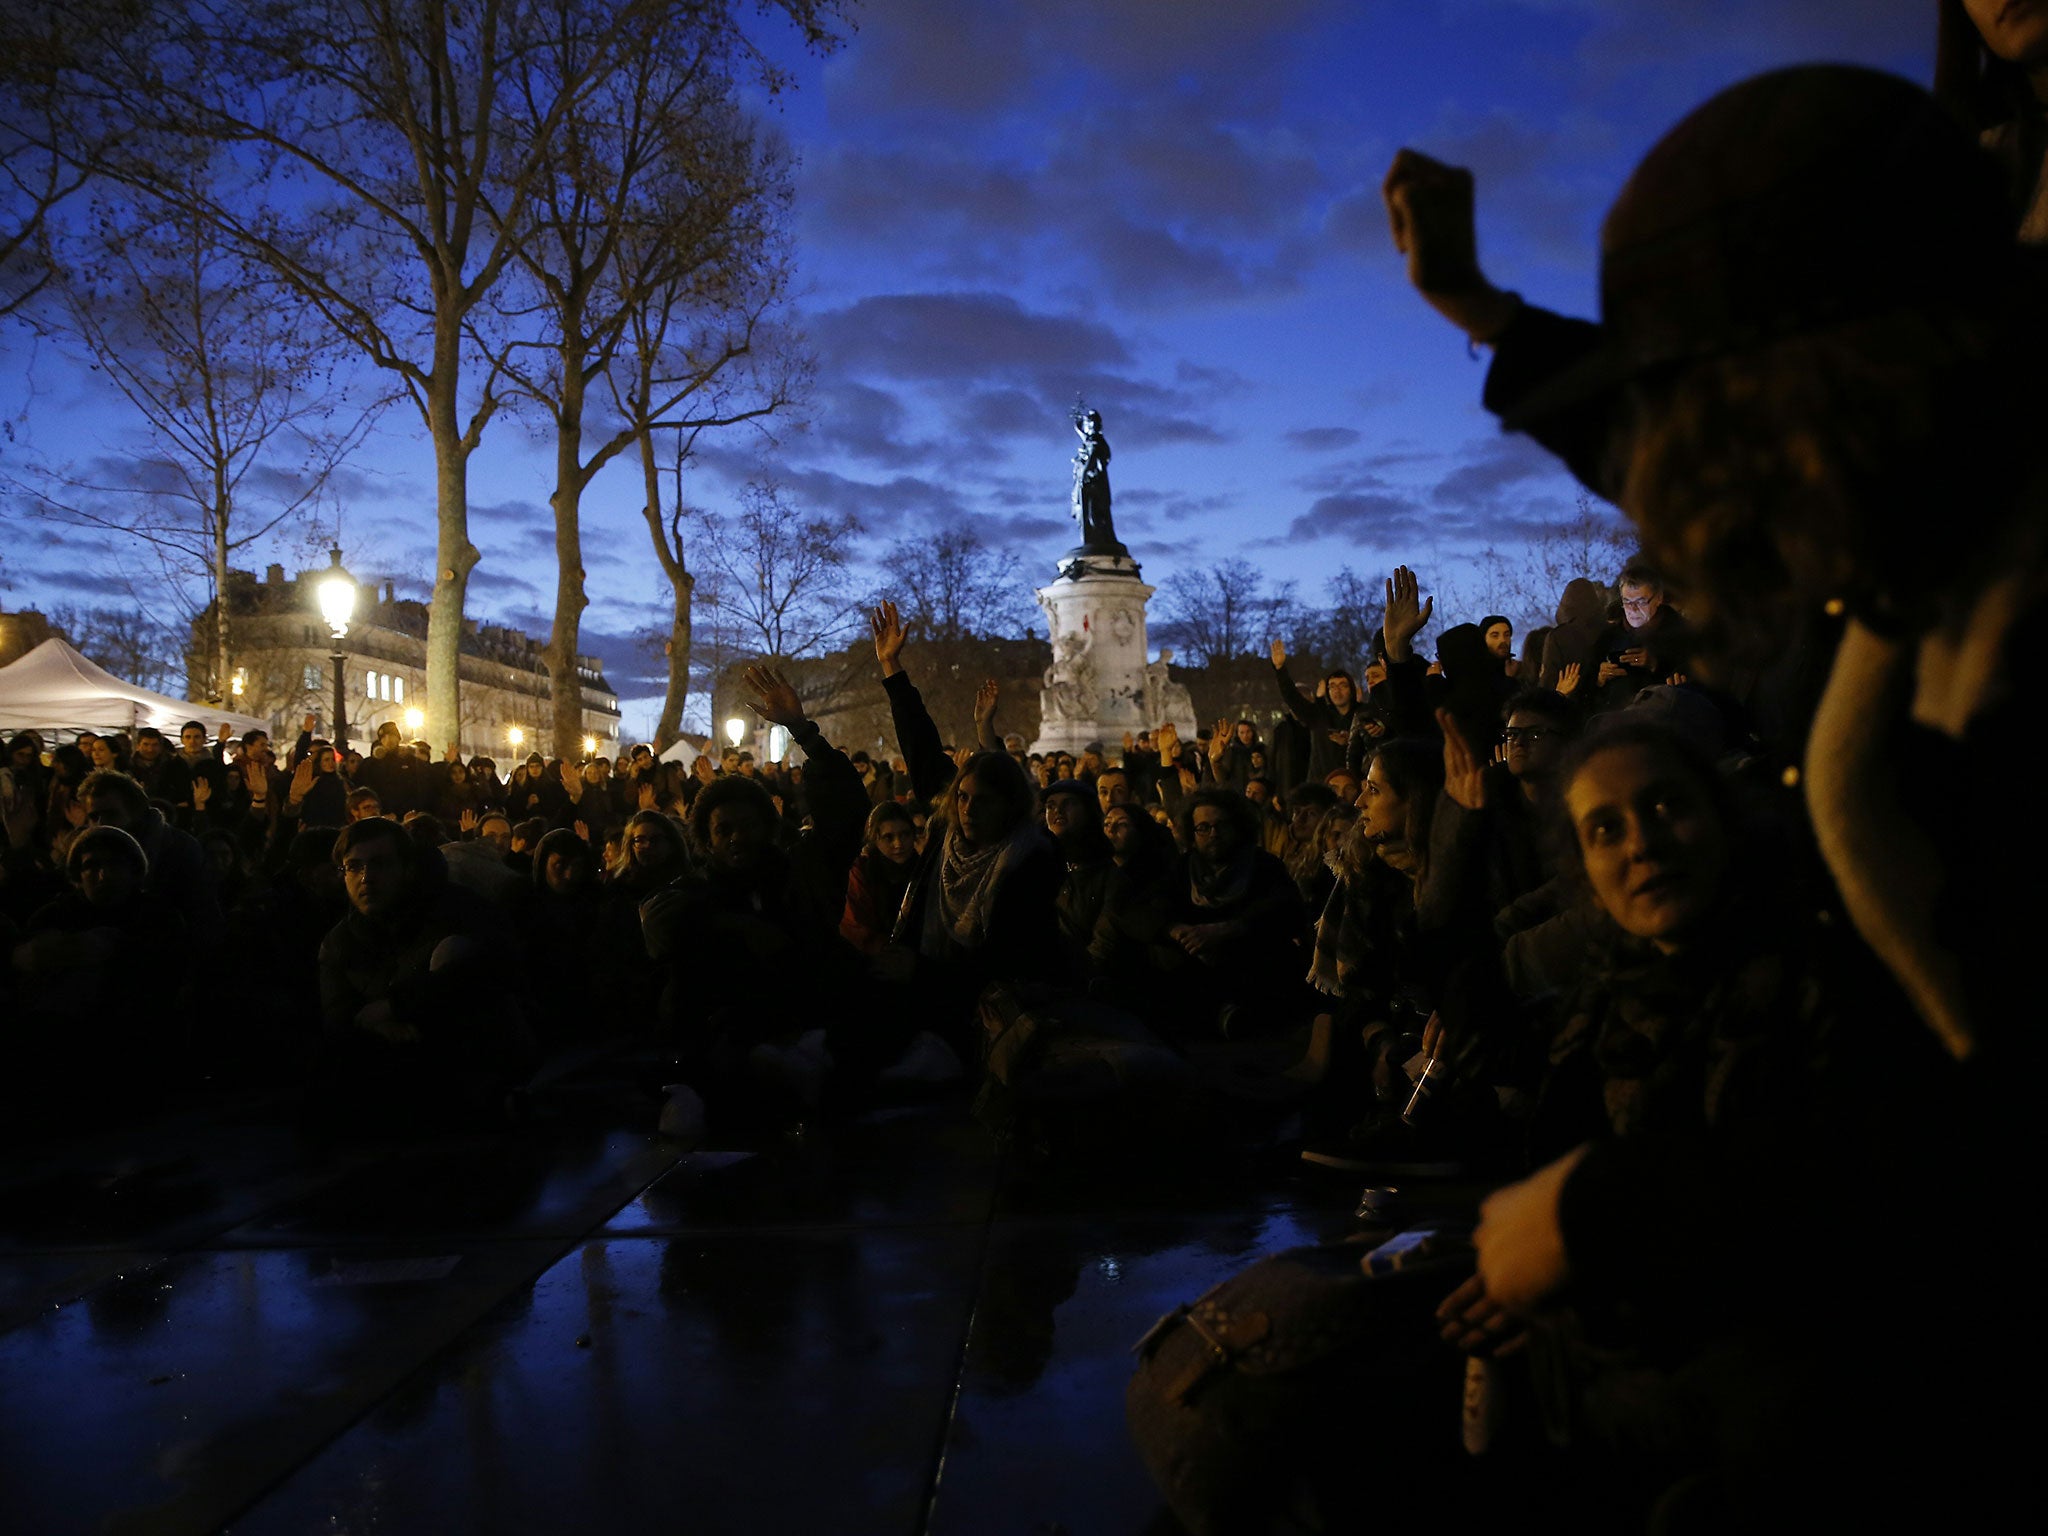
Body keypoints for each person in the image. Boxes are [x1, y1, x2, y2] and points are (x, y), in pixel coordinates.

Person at [840, 802, 921, 956]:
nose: (898, 844)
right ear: (875, 839)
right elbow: (857, 929)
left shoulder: (923, 867)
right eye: (888, 837)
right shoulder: (862, 872)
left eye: (904, 834)